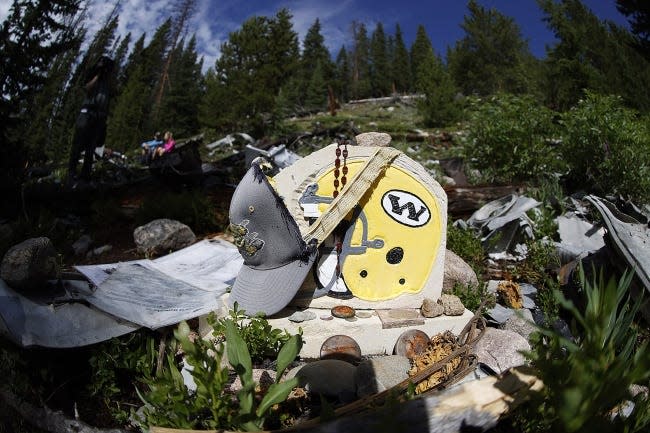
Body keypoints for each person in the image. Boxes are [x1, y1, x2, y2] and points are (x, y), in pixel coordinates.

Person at [67, 55, 115, 184]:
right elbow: (87, 88)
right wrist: (98, 74)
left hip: (100, 116)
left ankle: (85, 176)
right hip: (87, 112)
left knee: (91, 147)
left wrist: (107, 74)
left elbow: (112, 91)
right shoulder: (93, 74)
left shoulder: (108, 82)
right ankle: (71, 173)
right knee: (77, 144)